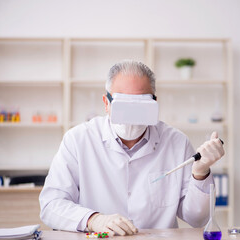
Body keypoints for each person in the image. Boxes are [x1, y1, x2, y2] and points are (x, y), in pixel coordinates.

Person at [39, 60, 225, 236]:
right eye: (123, 105)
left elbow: (197, 219)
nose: (131, 116)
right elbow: (51, 205)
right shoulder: (78, 140)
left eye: (141, 105)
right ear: (106, 103)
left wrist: (200, 173)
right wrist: (93, 220)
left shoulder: (176, 142)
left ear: (154, 103)